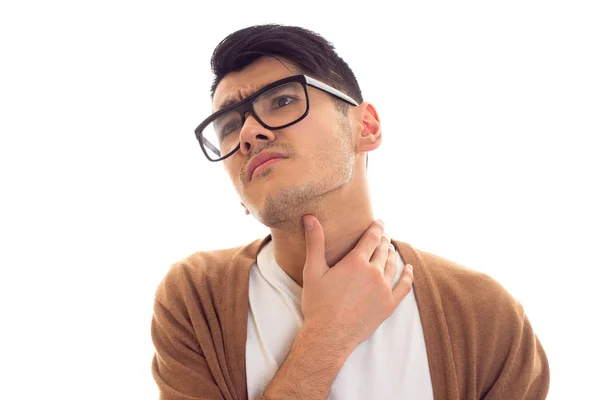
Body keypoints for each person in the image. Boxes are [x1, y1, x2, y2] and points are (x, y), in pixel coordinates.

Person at [150, 24, 550, 400]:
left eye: (283, 100)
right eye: (228, 127)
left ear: (367, 127)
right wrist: (328, 336)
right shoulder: (196, 300)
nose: (250, 132)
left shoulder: (483, 314)